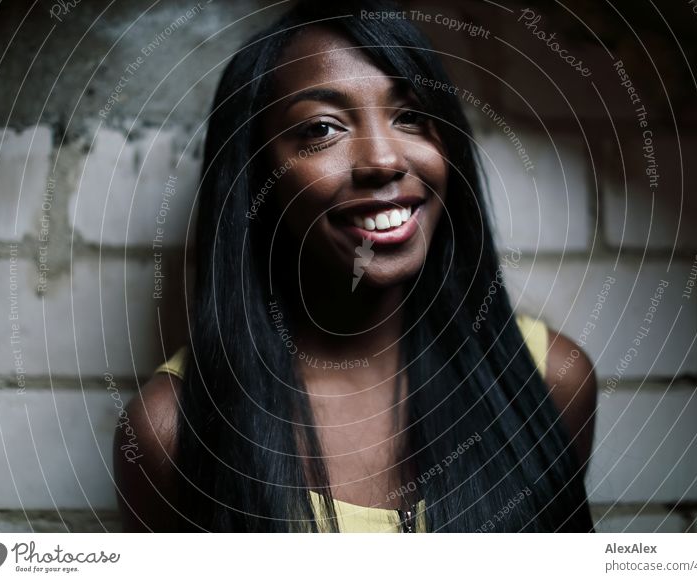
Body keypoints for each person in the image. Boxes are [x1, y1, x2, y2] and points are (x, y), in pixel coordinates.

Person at [114, 0, 597, 533]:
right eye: (322, 129)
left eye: (411, 116)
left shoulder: (549, 379)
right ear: (255, 179)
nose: (385, 160)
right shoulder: (170, 432)